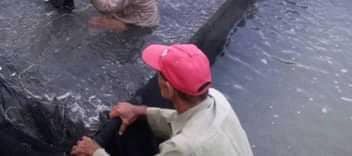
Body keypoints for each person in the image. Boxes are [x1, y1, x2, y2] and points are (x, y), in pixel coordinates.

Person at [71, 43, 253, 156]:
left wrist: (95, 152)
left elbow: (187, 140)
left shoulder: (182, 148)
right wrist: (140, 111)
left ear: (167, 88)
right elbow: (183, 119)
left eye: (158, 74)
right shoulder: (218, 99)